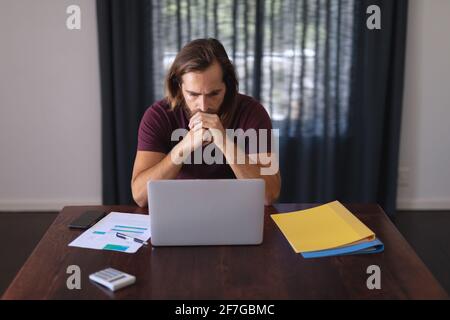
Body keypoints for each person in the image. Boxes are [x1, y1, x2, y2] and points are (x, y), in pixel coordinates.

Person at [131, 38, 281, 207]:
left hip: (235, 212)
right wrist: (184, 147)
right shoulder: (158, 115)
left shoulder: (253, 112)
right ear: (178, 86)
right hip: (178, 212)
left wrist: (224, 141)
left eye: (214, 94)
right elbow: (140, 196)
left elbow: (269, 195)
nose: (203, 106)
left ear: (228, 86)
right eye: (193, 94)